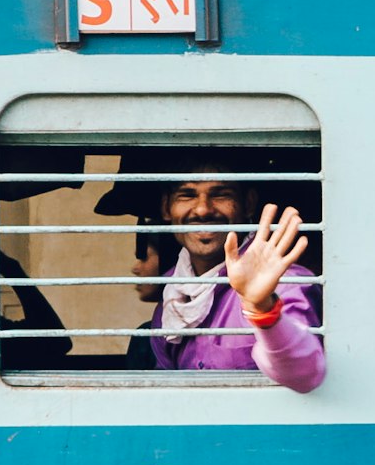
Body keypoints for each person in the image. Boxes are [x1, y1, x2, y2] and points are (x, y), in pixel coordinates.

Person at [138, 164, 325, 392]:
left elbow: (305, 374)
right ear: (166, 208)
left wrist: (262, 309)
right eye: (187, 195)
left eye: (221, 195)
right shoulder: (174, 297)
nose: (202, 210)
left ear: (248, 204)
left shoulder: (281, 284)